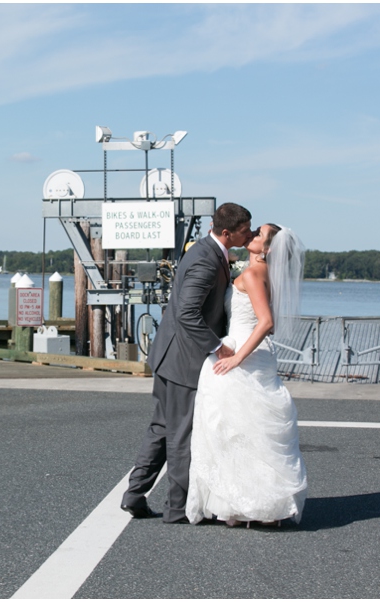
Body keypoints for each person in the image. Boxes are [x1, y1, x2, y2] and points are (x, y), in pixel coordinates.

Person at [121, 203, 253, 524]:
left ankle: (134, 494)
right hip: (183, 360)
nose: (249, 234)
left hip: (169, 354)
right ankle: (176, 508)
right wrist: (219, 347)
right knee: (181, 433)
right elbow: (188, 313)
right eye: (244, 230)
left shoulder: (207, 252)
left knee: (162, 427)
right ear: (226, 232)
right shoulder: (208, 262)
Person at [186, 223, 308, 526]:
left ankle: (241, 505)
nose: (251, 233)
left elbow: (266, 323)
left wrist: (238, 357)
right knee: (251, 432)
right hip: (258, 355)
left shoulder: (253, 275)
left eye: (258, 234)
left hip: (244, 353)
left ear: (266, 250)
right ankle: (258, 506)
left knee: (235, 431)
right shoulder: (264, 275)